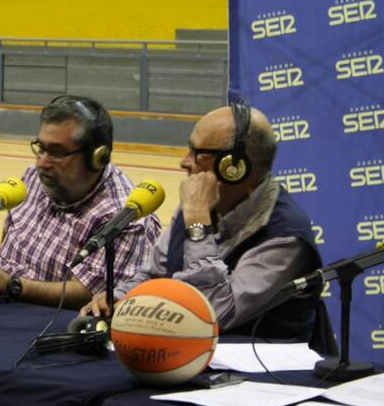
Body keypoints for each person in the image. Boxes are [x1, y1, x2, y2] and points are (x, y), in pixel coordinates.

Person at [81, 104, 328, 346]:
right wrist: (120, 297)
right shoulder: (200, 204)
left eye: (197, 153)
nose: (184, 162)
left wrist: (198, 220)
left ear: (233, 168)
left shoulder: (285, 237)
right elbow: (154, 275)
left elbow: (208, 314)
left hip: (258, 369)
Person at [0, 95, 161, 309]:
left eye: (57, 152)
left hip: (53, 319)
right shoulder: (33, 177)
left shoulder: (124, 215)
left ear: (97, 158)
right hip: (1, 306)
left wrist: (11, 285)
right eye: (41, 148)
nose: (42, 163)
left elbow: (90, 293)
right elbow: (9, 240)